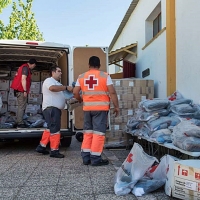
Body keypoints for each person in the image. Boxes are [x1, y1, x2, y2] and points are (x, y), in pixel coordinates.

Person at [73, 56, 119, 166]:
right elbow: (112, 92)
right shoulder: (105, 76)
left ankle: (86, 158)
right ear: (99, 65)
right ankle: (95, 159)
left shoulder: (82, 76)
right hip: (100, 109)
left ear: (89, 65)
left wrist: (80, 99)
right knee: (98, 134)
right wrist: (116, 106)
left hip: (87, 109)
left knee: (88, 133)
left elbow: (75, 92)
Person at [35, 65, 73, 158]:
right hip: (51, 109)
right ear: (53, 72)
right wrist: (66, 88)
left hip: (54, 109)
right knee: (55, 130)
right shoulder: (49, 81)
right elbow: (52, 88)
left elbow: (65, 96)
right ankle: (54, 151)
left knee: (50, 128)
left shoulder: (59, 84)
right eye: (59, 71)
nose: (61, 73)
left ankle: (41, 146)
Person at [10, 58, 37, 128]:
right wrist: (25, 90)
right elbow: (23, 79)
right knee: (21, 106)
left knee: (21, 106)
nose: (33, 67)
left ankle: (18, 120)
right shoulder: (25, 68)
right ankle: (19, 122)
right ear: (33, 64)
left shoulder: (23, 67)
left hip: (19, 89)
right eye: (34, 66)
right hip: (21, 90)